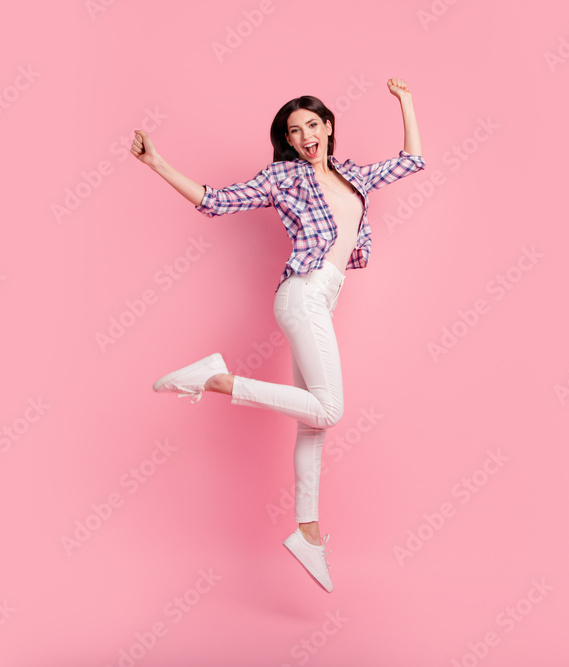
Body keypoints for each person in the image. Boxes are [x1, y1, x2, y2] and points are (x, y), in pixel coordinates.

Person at [130, 78, 424, 593]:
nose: (306, 136)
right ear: (288, 140)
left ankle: (307, 534)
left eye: (313, 125)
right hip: (303, 295)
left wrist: (405, 101)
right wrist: (157, 164)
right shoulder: (283, 177)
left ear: (329, 127)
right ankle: (217, 380)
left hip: (322, 299)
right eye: (295, 131)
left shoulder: (352, 176)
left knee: (313, 422)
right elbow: (215, 201)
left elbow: (411, 160)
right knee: (330, 408)